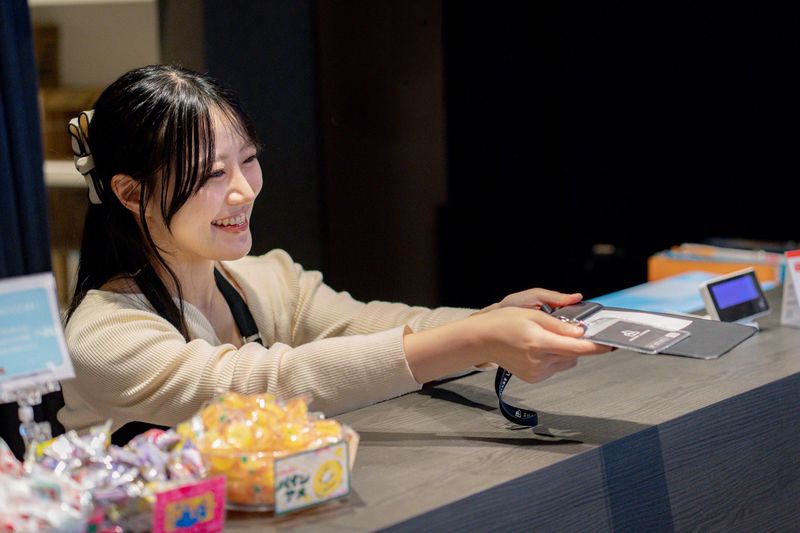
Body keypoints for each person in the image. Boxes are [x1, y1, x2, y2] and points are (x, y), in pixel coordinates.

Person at [58, 65, 610, 443]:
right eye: (211, 174)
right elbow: (265, 384)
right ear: (131, 193)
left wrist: (492, 320)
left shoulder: (264, 279)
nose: (244, 191)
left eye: (247, 160)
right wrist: (478, 339)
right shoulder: (104, 336)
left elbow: (374, 326)